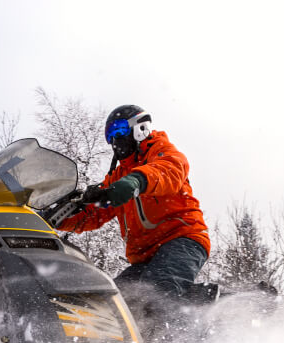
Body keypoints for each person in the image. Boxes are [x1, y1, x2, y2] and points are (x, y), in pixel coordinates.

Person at [54, 105, 211, 302]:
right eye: (110, 135)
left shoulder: (160, 151)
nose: (115, 139)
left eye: (119, 130)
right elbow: (94, 214)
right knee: (115, 302)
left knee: (157, 294)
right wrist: (57, 218)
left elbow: (170, 168)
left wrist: (136, 180)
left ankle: (181, 332)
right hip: (146, 257)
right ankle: (206, 302)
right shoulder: (118, 177)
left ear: (140, 129)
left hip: (182, 239)